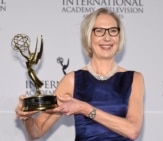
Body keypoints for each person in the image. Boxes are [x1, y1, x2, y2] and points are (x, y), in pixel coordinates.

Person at [15, 7, 145, 141]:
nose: (107, 38)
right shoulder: (72, 80)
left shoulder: (134, 79)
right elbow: (36, 131)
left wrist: (84, 108)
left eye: (113, 31)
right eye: (99, 31)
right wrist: (27, 118)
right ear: (88, 36)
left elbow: (133, 131)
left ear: (119, 36)